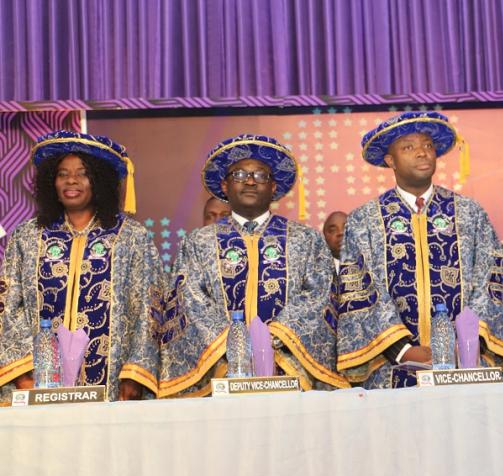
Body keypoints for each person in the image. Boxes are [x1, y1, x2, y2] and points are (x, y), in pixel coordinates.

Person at [336, 111, 503, 388]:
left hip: (466, 362)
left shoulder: (469, 212)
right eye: (409, 147)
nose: (422, 153)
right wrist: (401, 349)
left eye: (428, 146)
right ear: (390, 160)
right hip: (392, 367)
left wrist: (470, 341)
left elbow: (492, 280)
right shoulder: (365, 219)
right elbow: (360, 290)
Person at [159, 134, 348, 396]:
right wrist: (234, 343)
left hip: (289, 371)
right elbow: (187, 298)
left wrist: (274, 337)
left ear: (273, 187)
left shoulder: (305, 239)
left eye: (261, 176)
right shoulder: (198, 242)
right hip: (220, 373)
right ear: (225, 186)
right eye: (239, 175)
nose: (249, 181)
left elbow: (320, 295)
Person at [0, 130, 163, 401]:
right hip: (38, 382)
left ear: (99, 181)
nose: (71, 180)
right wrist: (22, 371)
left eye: (83, 173)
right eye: (62, 173)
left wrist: (135, 373)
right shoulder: (27, 236)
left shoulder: (131, 237)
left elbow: (148, 308)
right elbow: (7, 306)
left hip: (111, 382)